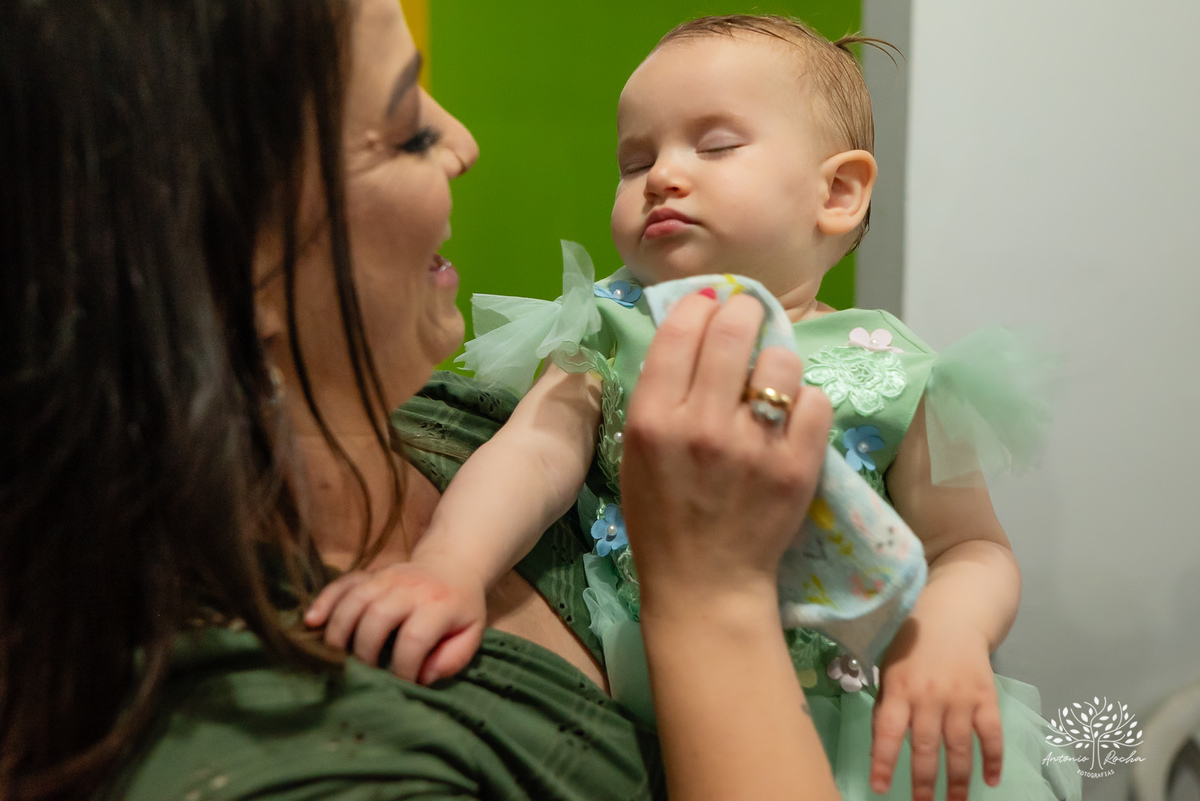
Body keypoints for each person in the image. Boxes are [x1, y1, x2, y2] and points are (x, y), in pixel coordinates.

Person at [0, 2, 842, 800]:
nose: (465, 142)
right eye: (406, 131)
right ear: (224, 264)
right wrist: (714, 600)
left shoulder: (451, 411)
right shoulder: (295, 762)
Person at [308, 13, 1081, 801]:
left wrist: (950, 631)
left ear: (839, 192)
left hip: (861, 721)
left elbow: (973, 549)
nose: (662, 177)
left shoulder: (900, 371)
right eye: (635, 158)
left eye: (714, 147)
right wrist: (450, 566)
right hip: (655, 700)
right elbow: (531, 454)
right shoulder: (609, 328)